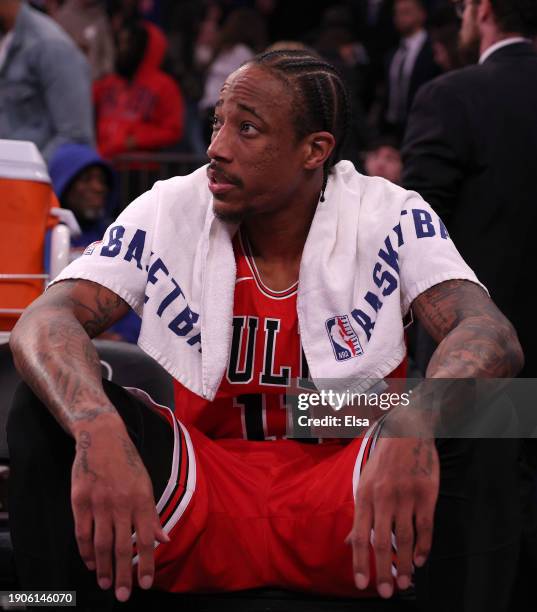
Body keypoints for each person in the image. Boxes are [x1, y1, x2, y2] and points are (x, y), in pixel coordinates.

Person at [8, 50, 524, 611]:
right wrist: (95, 423)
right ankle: (44, 603)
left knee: (497, 409)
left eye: (246, 128)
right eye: (218, 122)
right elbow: (45, 317)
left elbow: (487, 330)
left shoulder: (388, 213)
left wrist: (417, 416)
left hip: (346, 470)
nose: (216, 148)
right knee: (48, 408)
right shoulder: (172, 207)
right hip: (201, 473)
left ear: (315, 150)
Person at [48, 142, 141, 344]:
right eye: (87, 179)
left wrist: (124, 337)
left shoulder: (117, 236)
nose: (98, 188)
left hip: (119, 351)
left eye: (101, 180)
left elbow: (136, 295)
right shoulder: (43, 238)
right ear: (63, 183)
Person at [0, 0, 93, 162]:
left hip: (36, 181)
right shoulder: (6, 41)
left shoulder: (51, 45)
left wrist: (26, 172)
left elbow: (75, 135)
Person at [93, 19, 184, 159]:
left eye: (127, 44)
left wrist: (134, 141)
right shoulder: (108, 82)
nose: (121, 49)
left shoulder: (165, 86)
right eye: (119, 43)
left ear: (141, 47)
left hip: (140, 168)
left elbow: (172, 130)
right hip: (103, 162)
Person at [383, 0, 440, 138]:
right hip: (393, 129)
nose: (400, 17)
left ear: (422, 14)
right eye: (397, 13)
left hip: (425, 126)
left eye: (406, 12)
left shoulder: (435, 51)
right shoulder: (392, 54)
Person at [54, 0, 115, 80]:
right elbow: (57, 52)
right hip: (70, 79)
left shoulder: (101, 18)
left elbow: (108, 52)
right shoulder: (64, 16)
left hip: (97, 81)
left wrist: (105, 74)